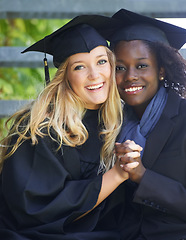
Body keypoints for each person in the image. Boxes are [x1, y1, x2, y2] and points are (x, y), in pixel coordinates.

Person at [0, 14, 141, 240]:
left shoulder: (123, 120)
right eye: (79, 67)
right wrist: (117, 174)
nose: (95, 75)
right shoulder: (40, 127)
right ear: (65, 76)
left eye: (101, 61)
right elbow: (35, 208)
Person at [109, 9, 186, 240]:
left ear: (161, 70)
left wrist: (142, 176)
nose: (130, 76)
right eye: (120, 67)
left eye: (142, 66)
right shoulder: (110, 124)